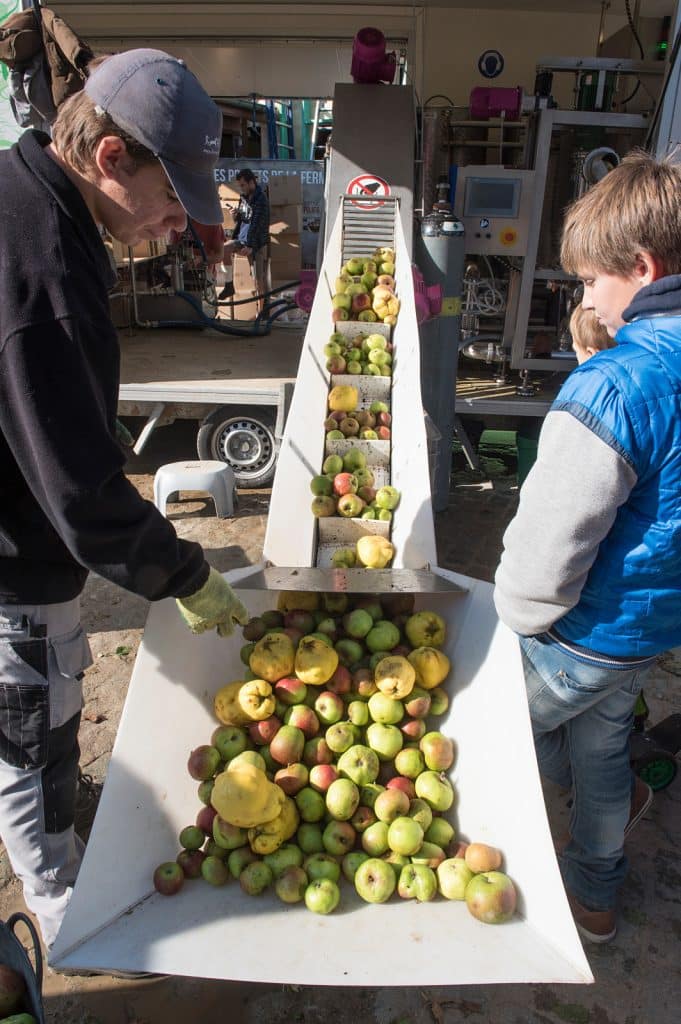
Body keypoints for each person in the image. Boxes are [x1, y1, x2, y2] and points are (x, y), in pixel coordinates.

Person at [0, 48, 250, 954]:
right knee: (34, 719)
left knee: (31, 712)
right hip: (13, 558)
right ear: (111, 158)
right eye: (171, 192)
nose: (179, 218)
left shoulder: (27, 198)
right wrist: (181, 571)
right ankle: (63, 908)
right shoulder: (44, 268)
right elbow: (79, 488)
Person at [494, 150, 681, 945]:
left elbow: (549, 545)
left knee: (490, 727)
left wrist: (515, 615)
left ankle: (507, 875)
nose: (583, 296)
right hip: (652, 627)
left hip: (581, 633)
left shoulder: (612, 385)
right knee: (601, 745)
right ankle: (596, 897)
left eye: (589, 281)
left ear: (639, 267)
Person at [219, 168, 270, 297]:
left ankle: (263, 312)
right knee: (224, 249)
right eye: (240, 185)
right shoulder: (243, 198)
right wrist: (236, 215)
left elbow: (258, 225)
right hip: (242, 240)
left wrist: (251, 246)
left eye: (243, 185)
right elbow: (243, 220)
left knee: (258, 281)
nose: (241, 188)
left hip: (256, 244)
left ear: (251, 182)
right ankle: (229, 285)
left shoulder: (261, 200)